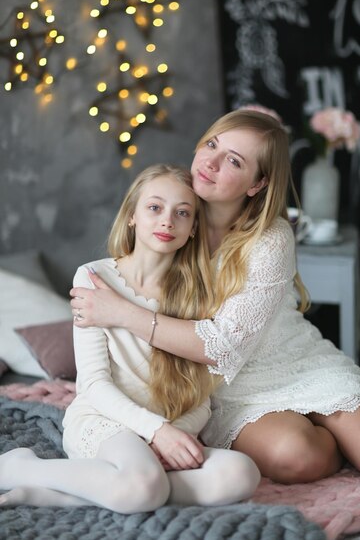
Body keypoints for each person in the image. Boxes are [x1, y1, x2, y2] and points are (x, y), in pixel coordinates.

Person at [69, 110, 360, 485]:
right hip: (225, 389)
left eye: (234, 161)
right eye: (212, 144)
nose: (211, 163)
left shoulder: (270, 238)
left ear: (257, 183)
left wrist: (120, 313)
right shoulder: (176, 218)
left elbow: (222, 346)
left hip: (293, 361)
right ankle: (346, 438)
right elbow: (127, 267)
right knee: (298, 456)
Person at [0, 164, 260, 512]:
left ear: (194, 227)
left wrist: (171, 435)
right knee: (143, 485)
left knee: (240, 474)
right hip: (105, 419)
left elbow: (202, 395)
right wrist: (154, 432)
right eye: (154, 207)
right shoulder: (94, 276)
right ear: (133, 215)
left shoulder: (201, 296)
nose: (167, 221)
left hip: (165, 425)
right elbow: (92, 383)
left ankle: (59, 491)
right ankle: (18, 468)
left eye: (182, 213)